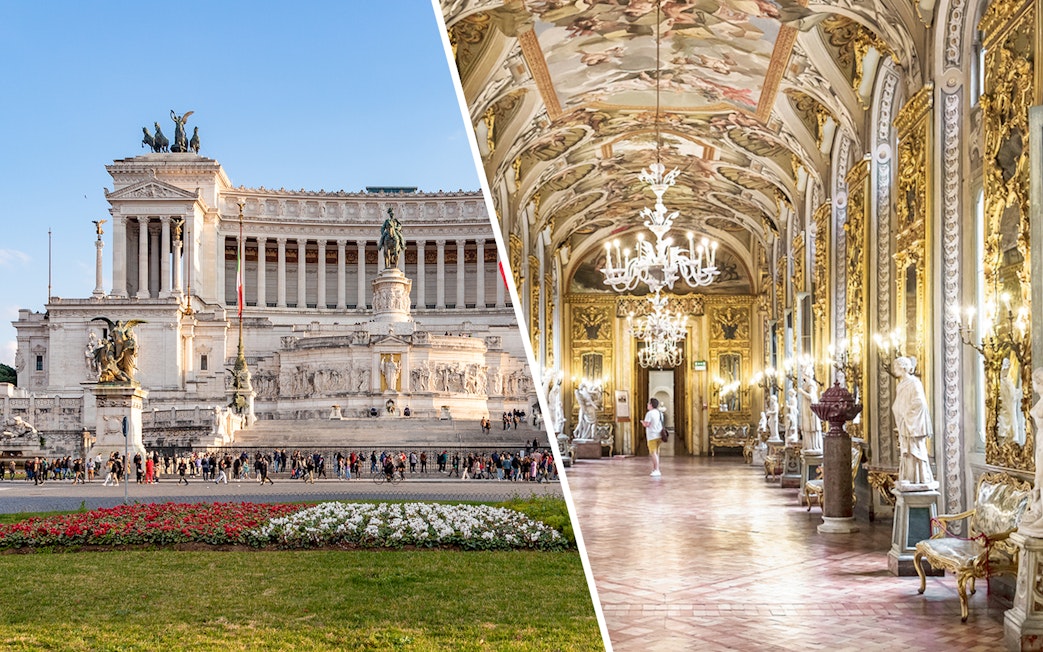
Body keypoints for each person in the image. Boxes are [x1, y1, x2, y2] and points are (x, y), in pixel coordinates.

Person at [892, 356, 937, 490]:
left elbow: (920, 403)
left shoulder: (914, 383)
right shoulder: (901, 385)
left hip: (912, 423)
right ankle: (909, 477)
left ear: (903, 368)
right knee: (906, 452)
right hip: (905, 423)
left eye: (896, 367)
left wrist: (906, 414)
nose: (894, 370)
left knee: (915, 450)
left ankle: (920, 477)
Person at [1016, 369, 1043, 536]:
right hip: (1040, 441)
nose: (1032, 385)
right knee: (1039, 476)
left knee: (1042, 475)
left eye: (1033, 381)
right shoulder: (1040, 401)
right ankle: (1039, 509)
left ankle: (1041, 515)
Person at [797, 365, 822, 452]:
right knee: (806, 427)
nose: (802, 374)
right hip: (806, 408)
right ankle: (807, 445)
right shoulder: (806, 384)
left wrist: (802, 392)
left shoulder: (811, 383)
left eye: (803, 373)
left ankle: (812, 446)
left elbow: (811, 397)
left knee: (810, 427)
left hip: (810, 409)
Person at [642, 398, 664, 477]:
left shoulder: (649, 413)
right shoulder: (659, 413)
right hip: (659, 435)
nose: (647, 405)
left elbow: (647, 424)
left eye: (648, 403)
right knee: (656, 453)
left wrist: (643, 423)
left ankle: (657, 470)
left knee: (653, 453)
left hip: (652, 436)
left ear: (651, 405)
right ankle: (655, 469)